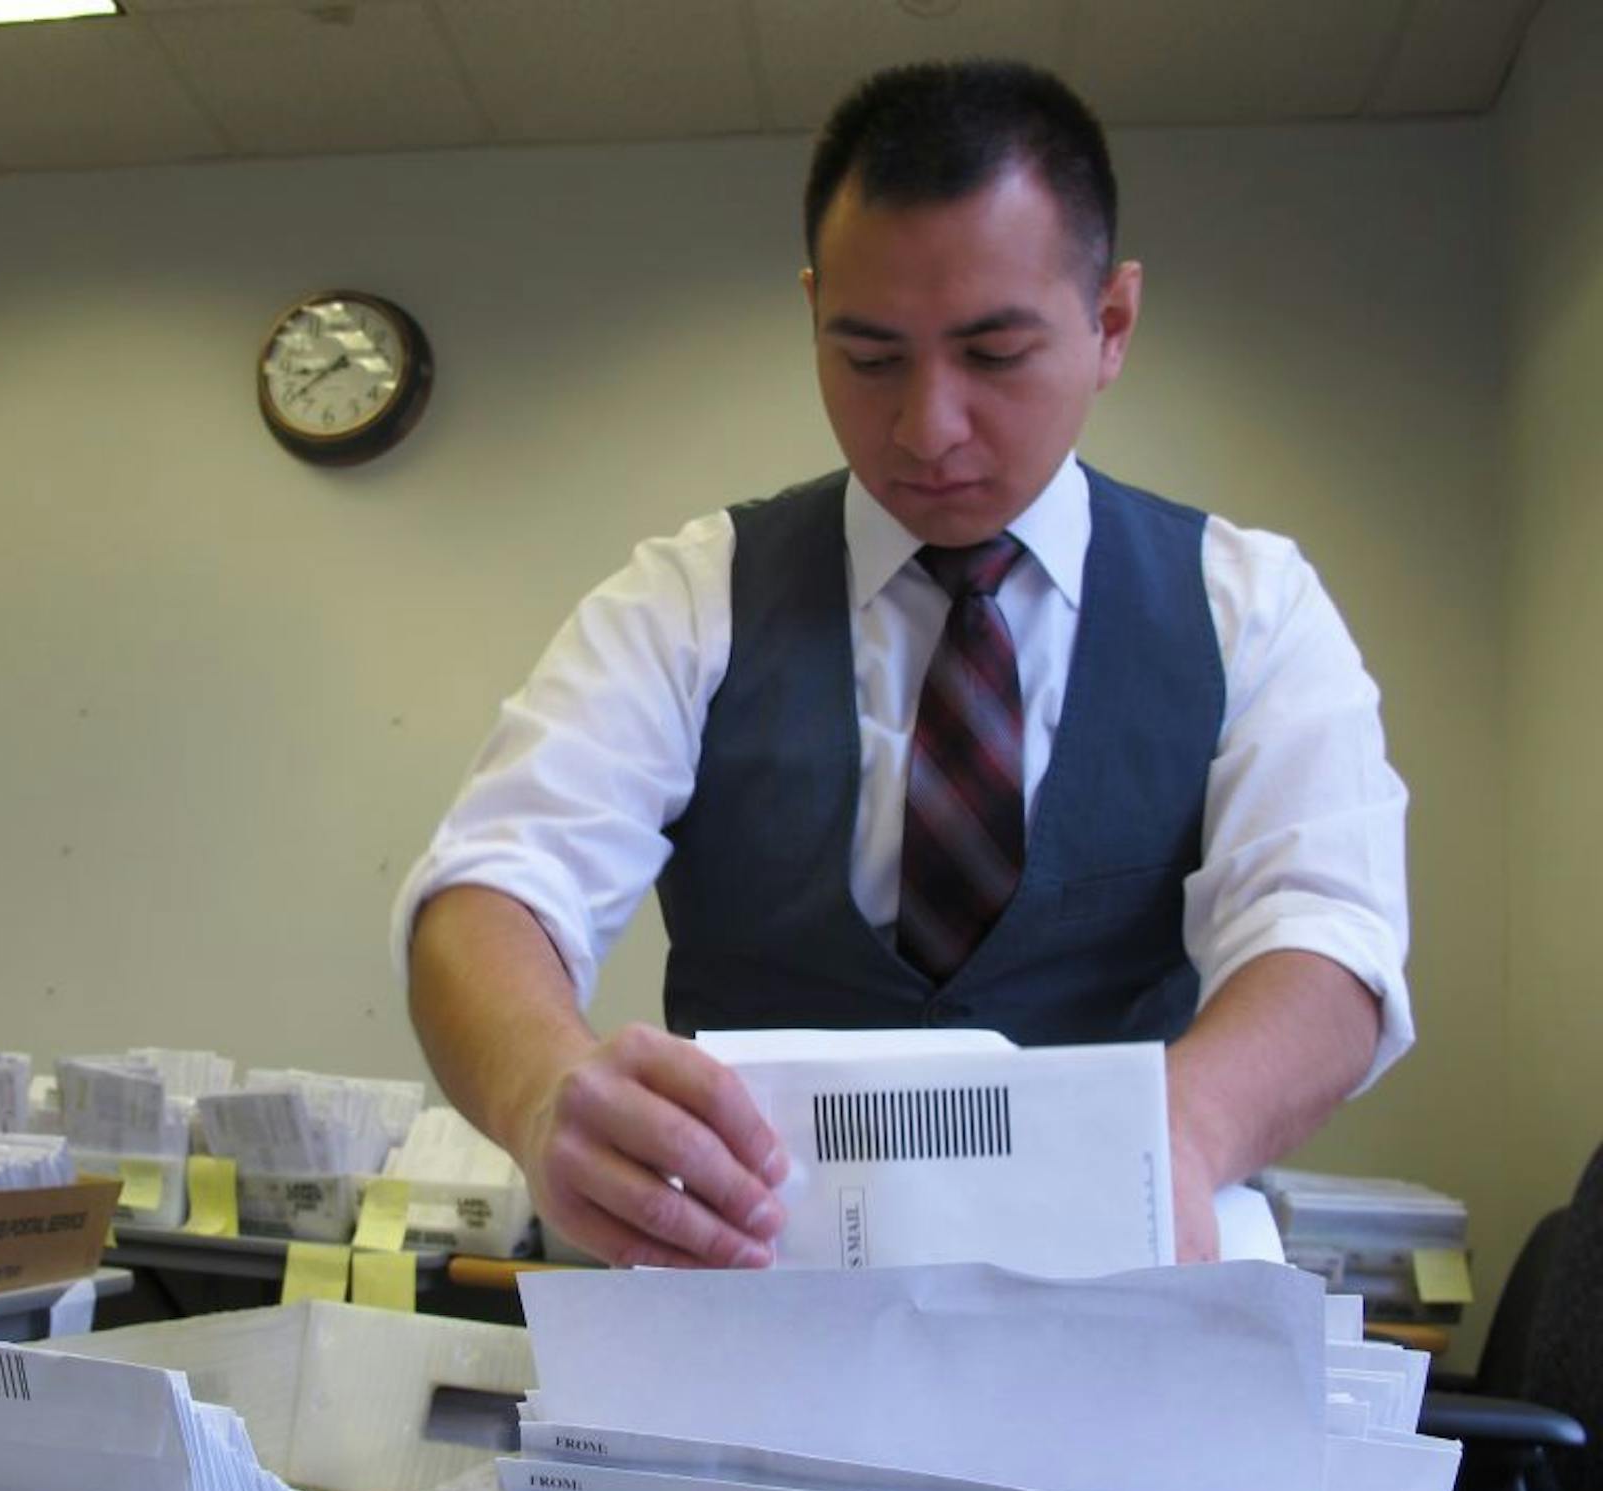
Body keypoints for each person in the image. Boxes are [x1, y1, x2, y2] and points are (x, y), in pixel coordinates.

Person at [392, 59, 1410, 1271]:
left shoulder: (1249, 607)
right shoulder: (690, 597)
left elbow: (1328, 935)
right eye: (870, 360)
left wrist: (1182, 1140)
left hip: (1116, 1284)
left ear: (1112, 324)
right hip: (745, 1296)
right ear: (814, 311)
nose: (927, 429)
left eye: (993, 355)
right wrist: (541, 1091)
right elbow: (494, 888)